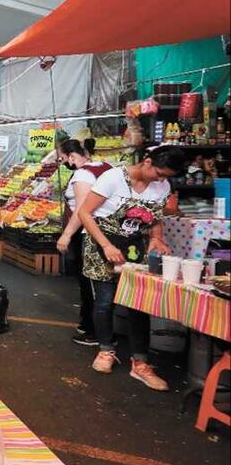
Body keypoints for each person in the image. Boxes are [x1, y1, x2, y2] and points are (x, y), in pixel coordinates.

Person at [76, 145, 185, 391]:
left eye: (167, 176)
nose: (162, 179)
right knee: (104, 301)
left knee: (138, 303)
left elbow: (155, 218)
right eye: (160, 173)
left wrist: (156, 238)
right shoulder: (113, 178)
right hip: (100, 242)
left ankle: (141, 362)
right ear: (147, 162)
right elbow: (84, 212)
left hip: (133, 247)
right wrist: (105, 246)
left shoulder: (162, 187)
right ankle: (105, 350)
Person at [55, 139, 112, 347]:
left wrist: (67, 234)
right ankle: (90, 324)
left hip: (88, 233)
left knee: (90, 282)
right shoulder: (106, 167)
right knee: (98, 283)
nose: (63, 163)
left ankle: (93, 330)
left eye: (63, 159)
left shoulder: (82, 174)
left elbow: (82, 209)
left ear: (72, 156)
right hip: (106, 232)